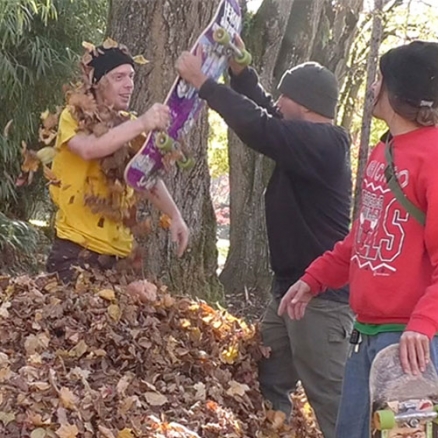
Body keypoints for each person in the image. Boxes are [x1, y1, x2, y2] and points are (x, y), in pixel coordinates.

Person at [176, 40, 353, 437]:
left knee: (331, 398)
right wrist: (242, 73)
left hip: (321, 300)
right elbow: (271, 115)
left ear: (306, 105)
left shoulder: (326, 144)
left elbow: (263, 127)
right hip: (288, 291)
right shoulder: (305, 139)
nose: (280, 101)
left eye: (286, 95)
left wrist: (204, 83)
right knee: (269, 380)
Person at [279, 41, 438, 438]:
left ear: (397, 90)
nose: (373, 86)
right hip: (362, 338)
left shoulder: (433, 158)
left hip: (412, 349)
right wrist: (313, 278)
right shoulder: (382, 151)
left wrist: (422, 323)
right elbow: (362, 238)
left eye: (380, 78)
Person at [46, 40, 189, 282]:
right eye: (119, 77)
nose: (129, 85)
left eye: (132, 76)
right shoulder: (73, 115)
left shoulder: (130, 124)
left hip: (120, 260)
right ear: (99, 82)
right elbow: (90, 149)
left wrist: (175, 215)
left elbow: (146, 175)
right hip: (75, 253)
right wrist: (142, 123)